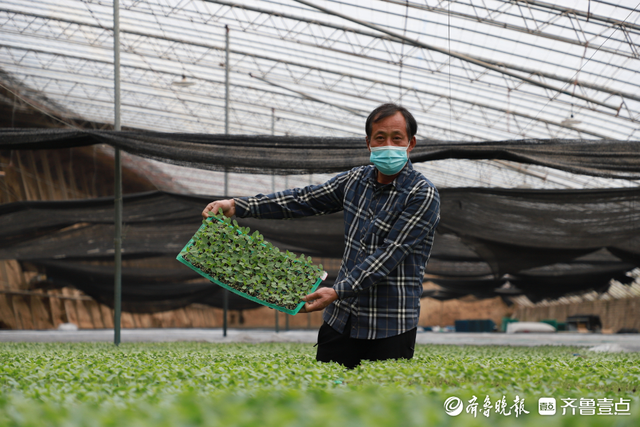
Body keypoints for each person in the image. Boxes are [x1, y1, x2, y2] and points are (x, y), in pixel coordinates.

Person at [202, 103, 440, 369]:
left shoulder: (421, 194)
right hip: (341, 320)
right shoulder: (355, 181)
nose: (388, 145)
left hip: (389, 324)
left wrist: (338, 291)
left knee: (381, 404)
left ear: (411, 143)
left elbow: (389, 255)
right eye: (380, 138)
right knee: (326, 399)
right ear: (368, 143)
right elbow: (303, 199)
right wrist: (238, 206)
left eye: (396, 138)